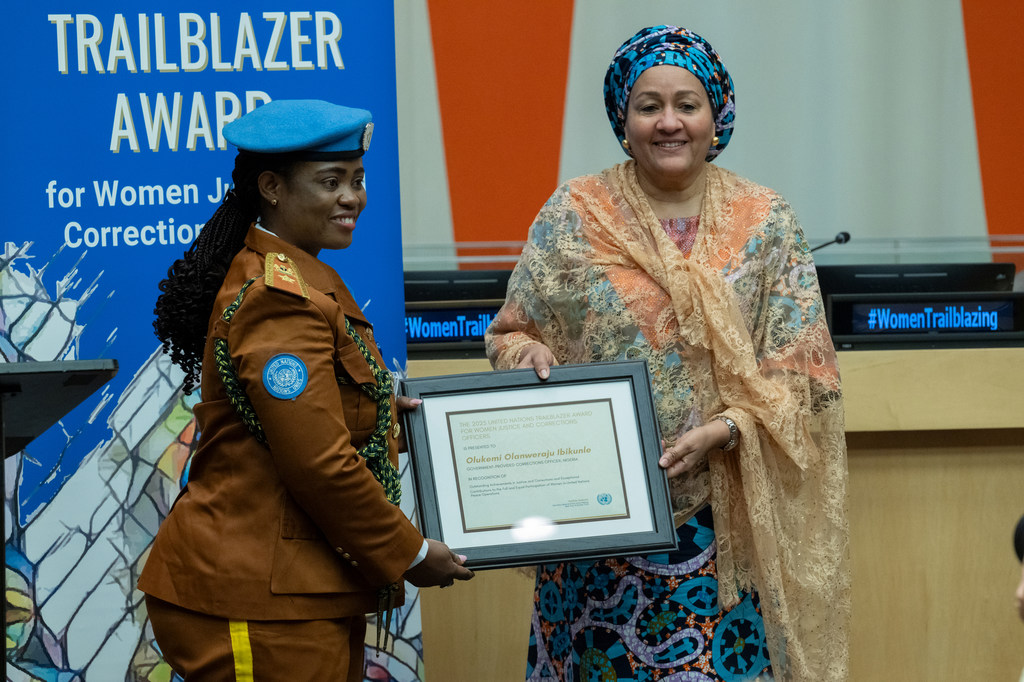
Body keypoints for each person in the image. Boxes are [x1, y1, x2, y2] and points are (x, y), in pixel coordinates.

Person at [486, 26, 850, 681]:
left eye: (687, 104)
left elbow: (806, 376)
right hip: (598, 527)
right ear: (623, 121)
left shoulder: (765, 222)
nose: (669, 122)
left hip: (722, 525)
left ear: (717, 117)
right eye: (648, 106)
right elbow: (509, 332)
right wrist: (529, 356)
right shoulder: (574, 213)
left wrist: (729, 427)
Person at [139, 99, 473, 681]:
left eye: (357, 180)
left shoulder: (301, 279)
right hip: (253, 594)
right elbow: (320, 464)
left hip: (295, 589)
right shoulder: (279, 300)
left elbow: (309, 419)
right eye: (330, 181)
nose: (352, 198)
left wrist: (381, 413)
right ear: (271, 187)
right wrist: (412, 553)